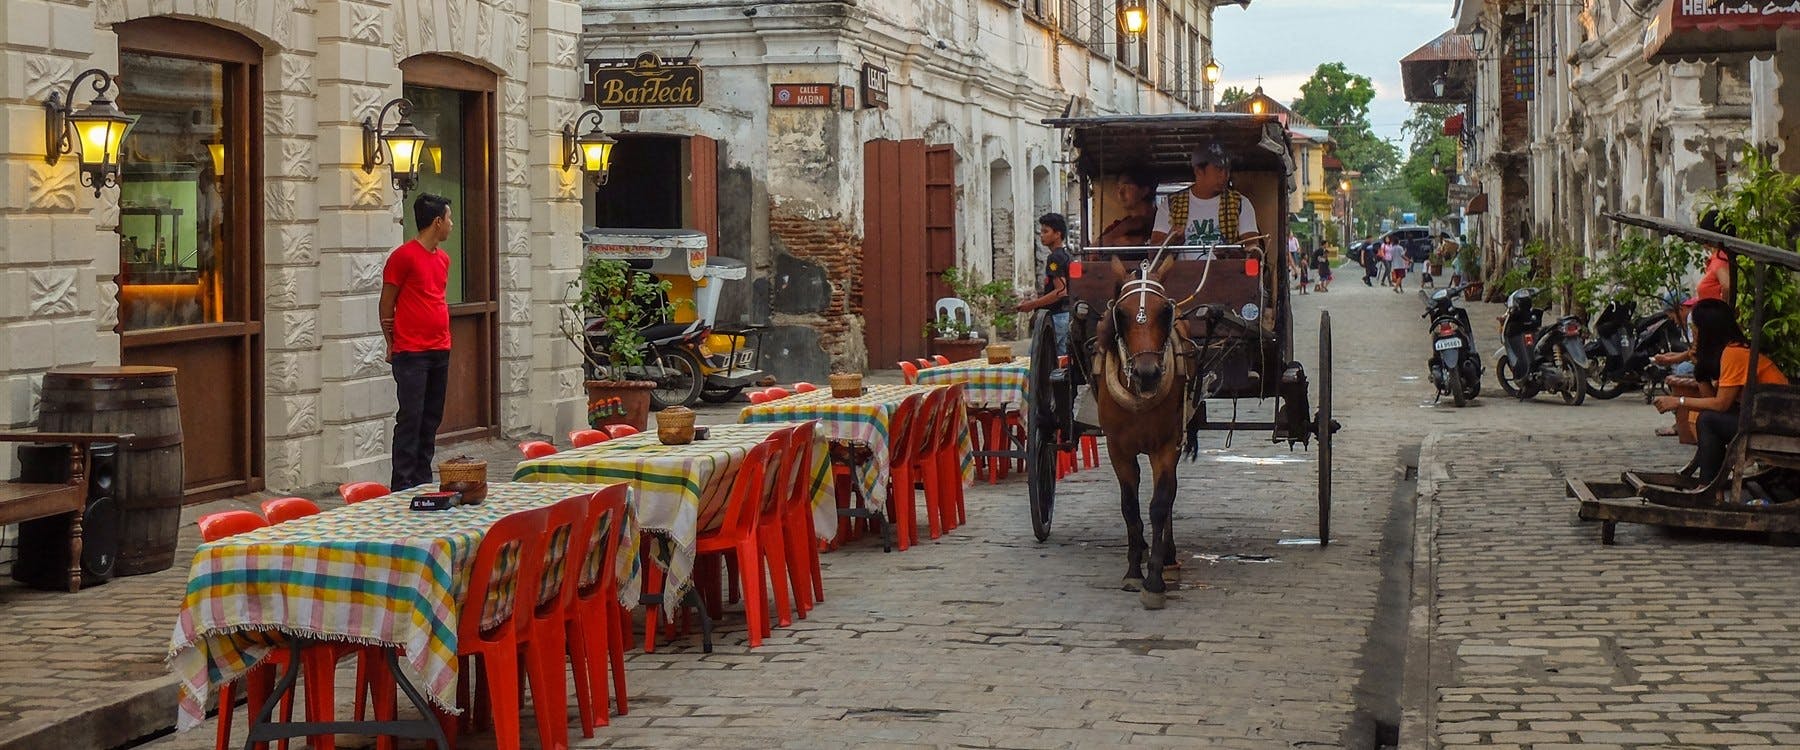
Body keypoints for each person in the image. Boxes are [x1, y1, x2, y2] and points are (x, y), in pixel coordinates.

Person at [1651, 298, 1789, 482]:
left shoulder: (1734, 353)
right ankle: (1711, 485)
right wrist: (1700, 369)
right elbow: (1711, 401)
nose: (1693, 332)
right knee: (1708, 418)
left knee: (1708, 420)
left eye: (1695, 327)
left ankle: (1708, 485)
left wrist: (1678, 401)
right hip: (1762, 418)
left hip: (1777, 424)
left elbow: (1721, 404)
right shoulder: (1728, 351)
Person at [381, 193, 455, 491]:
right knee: (410, 418)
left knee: (431, 418)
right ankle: (402, 485)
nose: (451, 224)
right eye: (449, 219)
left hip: (440, 348)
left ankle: (423, 481)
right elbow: (387, 304)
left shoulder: (444, 259)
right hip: (411, 352)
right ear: (437, 222)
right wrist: (391, 342)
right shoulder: (403, 257)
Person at [1148, 141, 1260, 260]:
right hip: (1181, 276)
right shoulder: (1170, 204)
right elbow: (1153, 256)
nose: (1224, 175)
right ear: (1198, 171)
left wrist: (1231, 253)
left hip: (1227, 276)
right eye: (1218, 169)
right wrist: (1170, 240)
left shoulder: (1240, 203)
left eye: (1227, 169)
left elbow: (1254, 251)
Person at [1017, 213, 1072, 356]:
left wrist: (1033, 304)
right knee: (1061, 362)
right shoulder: (1067, 255)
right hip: (1066, 316)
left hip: (1056, 318)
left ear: (1057, 234)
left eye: (1046, 231)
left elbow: (1061, 291)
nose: (1041, 235)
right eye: (1041, 231)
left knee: (1035, 361)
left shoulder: (1055, 259)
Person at [1097, 165, 1159, 254]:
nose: (1120, 193)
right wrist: (1123, 228)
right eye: (1118, 187)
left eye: (1127, 186)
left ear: (1144, 191)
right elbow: (1093, 251)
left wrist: (1143, 243)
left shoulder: (1164, 222)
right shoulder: (1118, 226)